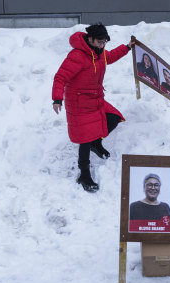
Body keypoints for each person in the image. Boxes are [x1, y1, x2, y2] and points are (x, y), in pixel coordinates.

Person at [52, 23, 135, 192]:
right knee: (84, 137)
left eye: (104, 42)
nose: (102, 45)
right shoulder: (77, 56)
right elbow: (60, 77)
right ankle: (84, 173)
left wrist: (126, 47)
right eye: (99, 42)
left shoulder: (99, 54)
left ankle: (96, 143)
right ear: (90, 39)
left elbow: (110, 56)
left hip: (95, 99)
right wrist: (57, 99)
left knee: (113, 117)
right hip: (78, 102)